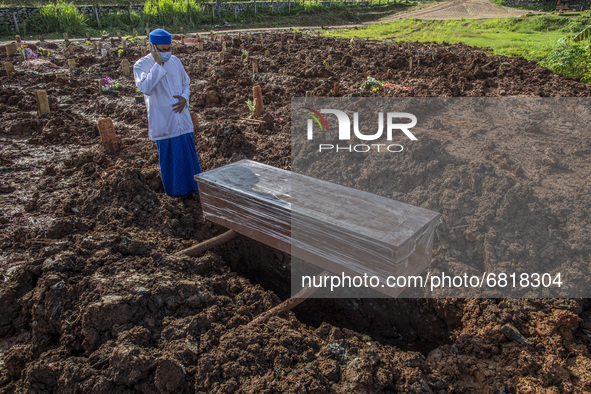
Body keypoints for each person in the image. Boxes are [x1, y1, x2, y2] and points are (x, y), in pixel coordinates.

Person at [134, 28, 202, 198]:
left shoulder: (176, 62)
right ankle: (176, 193)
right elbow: (145, 88)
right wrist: (158, 64)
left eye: (168, 49)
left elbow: (186, 83)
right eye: (162, 50)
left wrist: (185, 98)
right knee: (172, 160)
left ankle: (194, 190)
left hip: (182, 118)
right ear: (152, 47)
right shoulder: (142, 65)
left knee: (188, 157)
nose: (166, 53)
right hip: (164, 122)